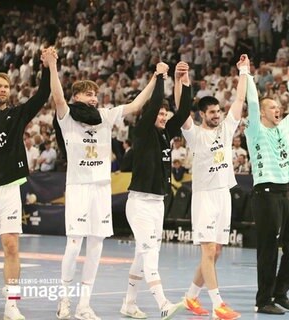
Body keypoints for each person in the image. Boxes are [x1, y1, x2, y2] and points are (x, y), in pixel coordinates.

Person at [50, 47, 164, 319]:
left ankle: (84, 305)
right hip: (78, 187)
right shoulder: (67, 118)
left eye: (95, 93)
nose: (93, 97)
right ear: (76, 96)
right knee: (74, 243)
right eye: (88, 93)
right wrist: (53, 66)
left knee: (97, 245)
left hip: (101, 187)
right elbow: (57, 97)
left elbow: (136, 105)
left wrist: (155, 78)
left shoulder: (106, 115)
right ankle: (64, 300)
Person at [0, 48, 52, 320]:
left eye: (6, 86)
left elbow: (42, 95)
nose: (3, 90)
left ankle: (12, 305)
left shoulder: (17, 114)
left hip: (9, 189)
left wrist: (47, 66)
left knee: (12, 246)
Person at [119, 61, 194, 320]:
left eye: (164, 114)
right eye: (159, 114)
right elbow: (151, 107)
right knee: (150, 252)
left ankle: (129, 304)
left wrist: (183, 81)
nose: (162, 116)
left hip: (157, 203)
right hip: (139, 202)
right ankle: (163, 304)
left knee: (145, 252)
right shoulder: (141, 132)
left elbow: (183, 111)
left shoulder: (165, 134)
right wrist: (160, 77)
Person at [180, 55, 248, 320]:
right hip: (205, 197)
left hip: (223, 195)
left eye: (219, 112)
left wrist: (244, 71)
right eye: (212, 113)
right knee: (208, 250)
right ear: (202, 115)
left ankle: (190, 297)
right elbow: (181, 112)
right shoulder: (195, 134)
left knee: (216, 250)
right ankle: (218, 304)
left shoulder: (226, 129)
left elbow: (239, 101)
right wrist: (183, 83)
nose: (217, 116)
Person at [245, 67, 289, 315]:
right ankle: (263, 300)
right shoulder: (255, 131)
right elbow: (251, 101)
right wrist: (246, 75)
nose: (277, 110)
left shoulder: (282, 129)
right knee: (269, 248)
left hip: (285, 194)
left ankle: (280, 292)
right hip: (265, 193)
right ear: (261, 112)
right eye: (272, 107)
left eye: (278, 107)